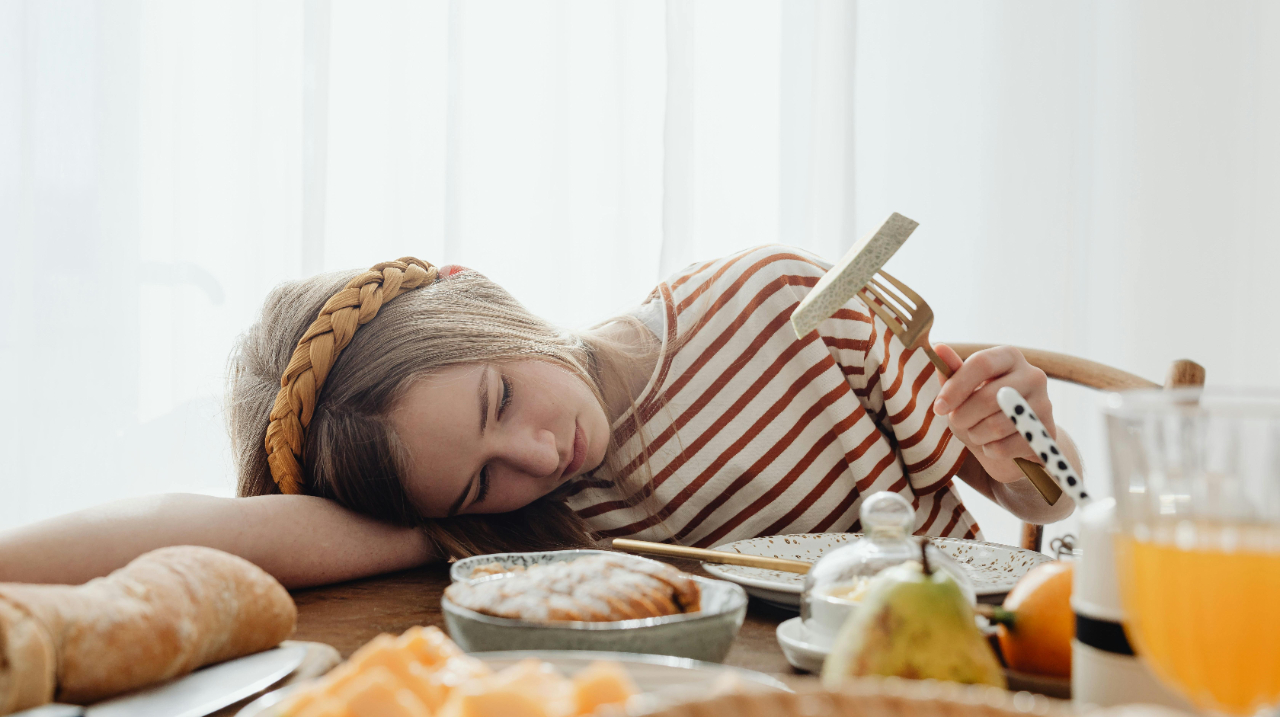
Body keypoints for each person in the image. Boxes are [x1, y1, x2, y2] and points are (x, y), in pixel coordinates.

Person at [0, 247, 1079, 589]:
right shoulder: (519, 532)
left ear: (479, 298)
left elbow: (1033, 500)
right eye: (479, 477)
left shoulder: (779, 301)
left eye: (498, 398)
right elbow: (194, 531)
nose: (536, 454)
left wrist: (1019, 443)